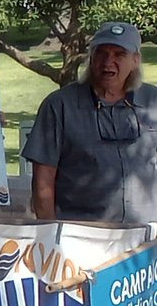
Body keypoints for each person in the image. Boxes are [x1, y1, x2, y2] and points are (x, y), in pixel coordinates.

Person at [24, 22, 157, 224]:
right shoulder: (59, 105)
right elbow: (43, 181)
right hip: (81, 237)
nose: (108, 62)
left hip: (146, 237)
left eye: (119, 54)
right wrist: (49, 235)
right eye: (101, 53)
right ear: (91, 58)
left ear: (135, 60)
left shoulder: (153, 101)